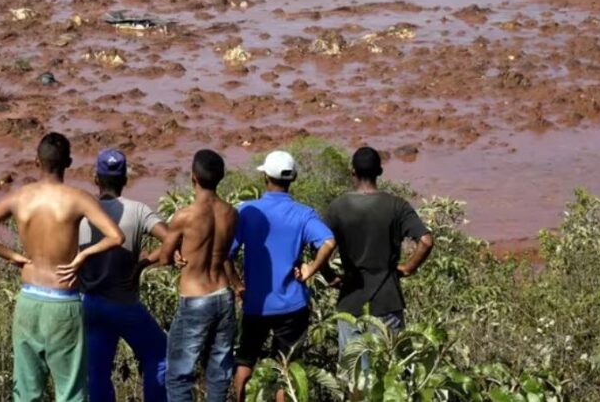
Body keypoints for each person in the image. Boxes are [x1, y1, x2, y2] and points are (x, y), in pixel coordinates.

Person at [0, 132, 125, 402]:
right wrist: (82, 257)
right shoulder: (78, 198)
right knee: (71, 392)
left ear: (36, 162)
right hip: (63, 302)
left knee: (26, 393)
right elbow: (116, 237)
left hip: (28, 300)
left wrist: (12, 255)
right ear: (69, 162)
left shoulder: (20, 197)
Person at [231, 150, 337, 401]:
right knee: (286, 368)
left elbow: (227, 254)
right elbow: (329, 242)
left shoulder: (247, 211)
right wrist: (311, 268)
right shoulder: (303, 213)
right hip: (292, 304)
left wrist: (237, 285)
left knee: (245, 359)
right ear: (293, 179)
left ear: (265, 177)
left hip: (256, 302)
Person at [77, 149, 170, 402]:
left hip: (92, 304)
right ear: (125, 179)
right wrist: (143, 264)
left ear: (96, 179)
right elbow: (171, 238)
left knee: (97, 373)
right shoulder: (138, 211)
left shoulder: (82, 215)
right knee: (159, 355)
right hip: (125, 304)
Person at [325, 146, 434, 355]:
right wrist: (409, 268)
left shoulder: (338, 207)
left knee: (354, 372)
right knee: (389, 370)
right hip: (388, 300)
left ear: (353, 172)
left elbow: (319, 246)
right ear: (380, 172)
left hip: (351, 301)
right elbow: (426, 241)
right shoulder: (397, 205)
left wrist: (330, 276)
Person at [158, 149, 241, 402]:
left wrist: (174, 255)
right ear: (221, 178)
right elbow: (224, 253)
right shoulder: (231, 213)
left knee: (179, 374)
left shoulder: (185, 216)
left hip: (195, 299)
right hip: (224, 295)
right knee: (219, 371)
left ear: (193, 177)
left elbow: (163, 257)